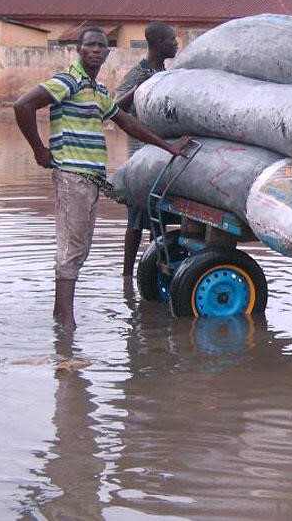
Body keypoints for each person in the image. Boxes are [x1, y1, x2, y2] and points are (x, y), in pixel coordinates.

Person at [13, 26, 191, 331]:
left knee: (79, 247)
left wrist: (168, 147)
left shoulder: (96, 91)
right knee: (72, 247)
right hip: (72, 175)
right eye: (90, 45)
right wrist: (39, 150)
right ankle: (67, 323)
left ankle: (60, 314)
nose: (96, 50)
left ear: (107, 52)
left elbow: (127, 123)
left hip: (90, 178)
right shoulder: (67, 81)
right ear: (79, 50)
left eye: (101, 46)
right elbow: (23, 105)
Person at [114, 21, 179, 280]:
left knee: (158, 218)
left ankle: (153, 272)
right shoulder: (138, 73)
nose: (176, 44)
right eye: (172, 40)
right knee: (136, 219)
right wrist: (138, 88)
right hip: (141, 157)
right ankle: (127, 277)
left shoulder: (165, 73)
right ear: (157, 43)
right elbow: (114, 108)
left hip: (162, 157)